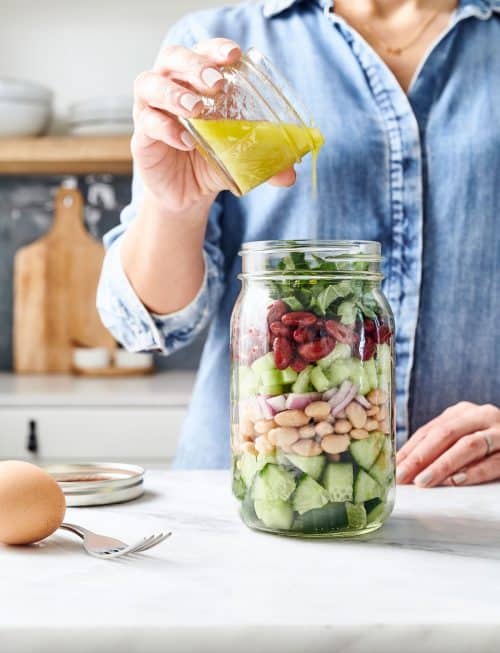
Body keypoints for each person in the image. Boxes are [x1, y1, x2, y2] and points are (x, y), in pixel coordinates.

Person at [97, 0, 500, 486]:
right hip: (261, 481)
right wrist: (176, 205)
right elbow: (152, 323)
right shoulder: (223, 46)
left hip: (470, 503)